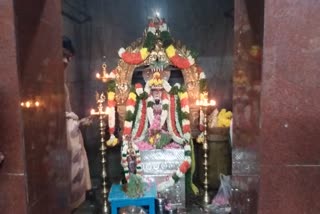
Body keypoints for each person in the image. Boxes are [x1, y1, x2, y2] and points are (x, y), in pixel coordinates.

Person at [63, 36, 92, 210]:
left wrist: (79, 122)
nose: (65, 61)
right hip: (61, 146)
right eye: (62, 55)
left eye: (69, 57)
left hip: (70, 137)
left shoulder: (63, 85)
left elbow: (66, 116)